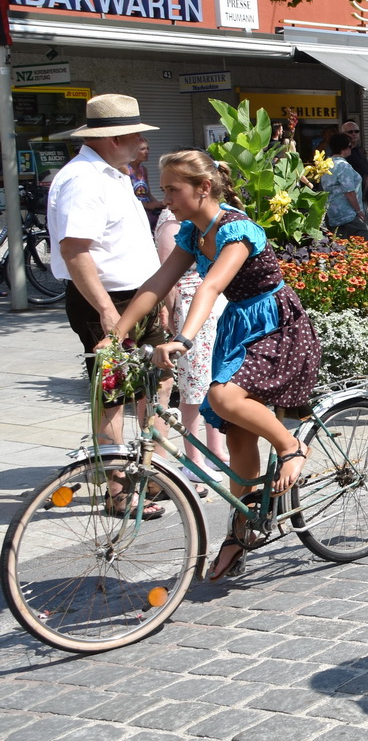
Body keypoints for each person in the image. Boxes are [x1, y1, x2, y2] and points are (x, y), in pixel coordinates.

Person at [112, 150, 322, 579]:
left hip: (274, 324)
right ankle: (243, 530)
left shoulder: (237, 229)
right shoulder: (192, 232)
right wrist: (116, 333)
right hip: (239, 327)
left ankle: (292, 445)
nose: (164, 197)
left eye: (172, 189)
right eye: (164, 188)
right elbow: (158, 283)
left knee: (222, 397)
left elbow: (210, 286)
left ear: (203, 188)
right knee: (239, 438)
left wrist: (182, 339)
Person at [47, 95, 171, 445]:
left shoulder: (110, 173)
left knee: (158, 379)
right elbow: (74, 250)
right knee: (113, 394)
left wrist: (157, 300)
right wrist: (105, 311)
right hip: (110, 300)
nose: (142, 143)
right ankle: (118, 490)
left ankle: (155, 472)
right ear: (115, 138)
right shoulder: (84, 179)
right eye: (136, 135)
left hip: (137, 296)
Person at [152, 207, 226, 491]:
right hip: (189, 305)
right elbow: (167, 276)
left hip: (214, 305)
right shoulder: (172, 223)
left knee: (214, 381)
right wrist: (169, 314)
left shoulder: (208, 218)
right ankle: (193, 458)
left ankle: (215, 449)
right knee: (193, 385)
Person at [321, 133, 368, 238]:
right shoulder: (343, 166)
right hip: (347, 213)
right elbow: (349, 192)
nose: (351, 149)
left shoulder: (326, 165)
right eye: (350, 146)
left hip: (333, 213)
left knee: (342, 243)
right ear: (344, 149)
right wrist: (359, 211)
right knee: (365, 235)